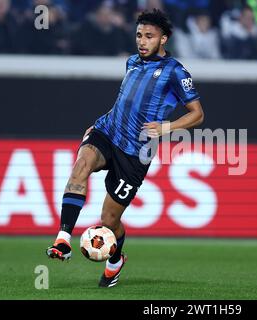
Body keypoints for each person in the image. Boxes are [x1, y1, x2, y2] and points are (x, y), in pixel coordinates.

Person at [46, 8, 204, 288]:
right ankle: (63, 237)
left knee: (109, 219)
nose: (142, 41)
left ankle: (115, 260)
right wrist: (98, 124)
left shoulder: (175, 72)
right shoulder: (131, 61)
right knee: (81, 164)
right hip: (108, 132)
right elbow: (125, 101)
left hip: (135, 153)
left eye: (149, 36)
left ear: (163, 39)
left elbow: (198, 114)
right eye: (139, 35)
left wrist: (167, 128)